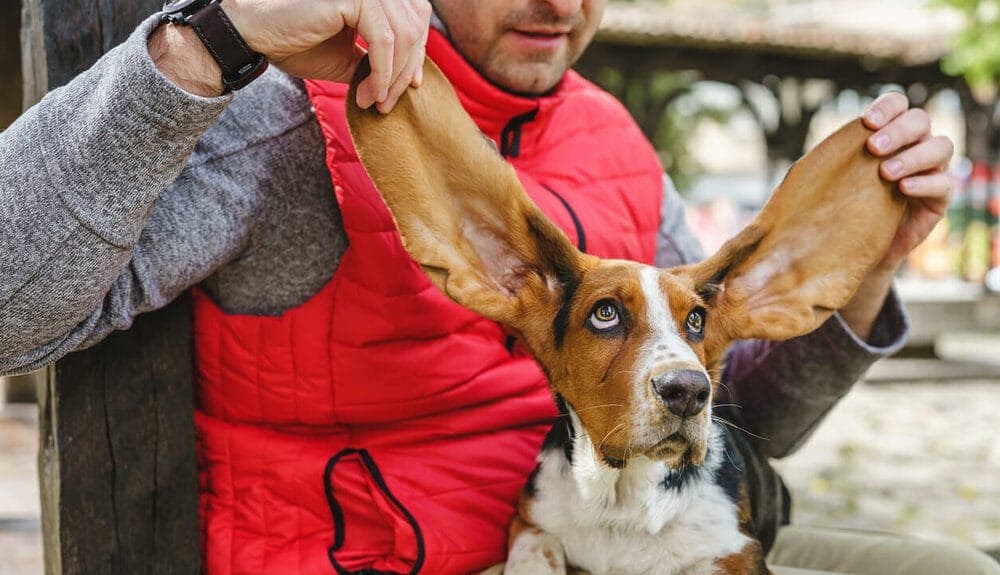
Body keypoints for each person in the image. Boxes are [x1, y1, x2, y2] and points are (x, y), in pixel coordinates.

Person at [1, 0, 994, 573]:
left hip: (613, 535)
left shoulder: (616, 142)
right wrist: (200, 45)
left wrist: (866, 270)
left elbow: (731, 422)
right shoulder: (277, 126)